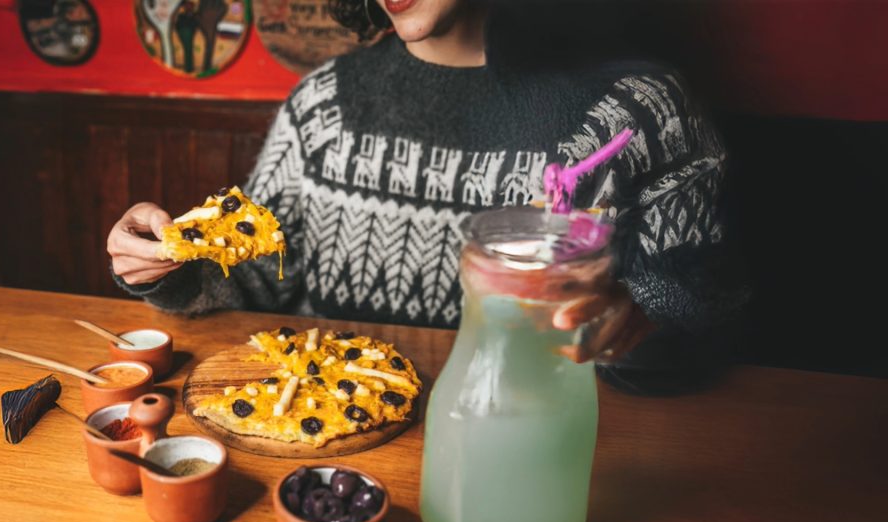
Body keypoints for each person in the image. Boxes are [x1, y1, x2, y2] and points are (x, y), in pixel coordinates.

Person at [107, 0, 744, 377]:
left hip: (541, 457)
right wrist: (164, 263)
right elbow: (256, 277)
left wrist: (635, 314)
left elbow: (712, 306)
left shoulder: (640, 110)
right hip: (332, 443)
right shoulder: (323, 102)